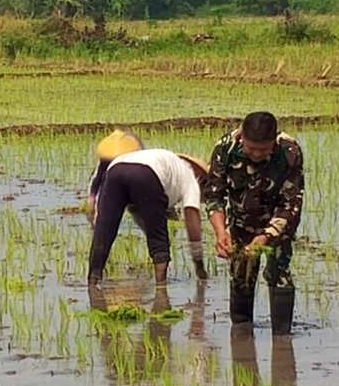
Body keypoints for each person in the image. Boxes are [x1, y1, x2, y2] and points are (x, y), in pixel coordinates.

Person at [204, 111, 304, 334]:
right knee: (241, 275)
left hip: (277, 225)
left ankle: (282, 340)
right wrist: (221, 232)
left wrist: (266, 236)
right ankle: (241, 339)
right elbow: (213, 195)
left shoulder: (289, 151)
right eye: (251, 149)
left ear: (274, 140)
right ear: (242, 137)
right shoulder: (225, 148)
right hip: (241, 223)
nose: (257, 154)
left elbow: (291, 203)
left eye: (263, 149)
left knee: (279, 273)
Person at [88, 137, 211, 286]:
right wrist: (199, 264)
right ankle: (161, 288)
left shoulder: (168, 161)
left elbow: (140, 211)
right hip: (146, 174)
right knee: (159, 238)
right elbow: (192, 221)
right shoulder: (191, 180)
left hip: (115, 169)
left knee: (104, 232)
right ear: (203, 180)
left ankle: (93, 282)